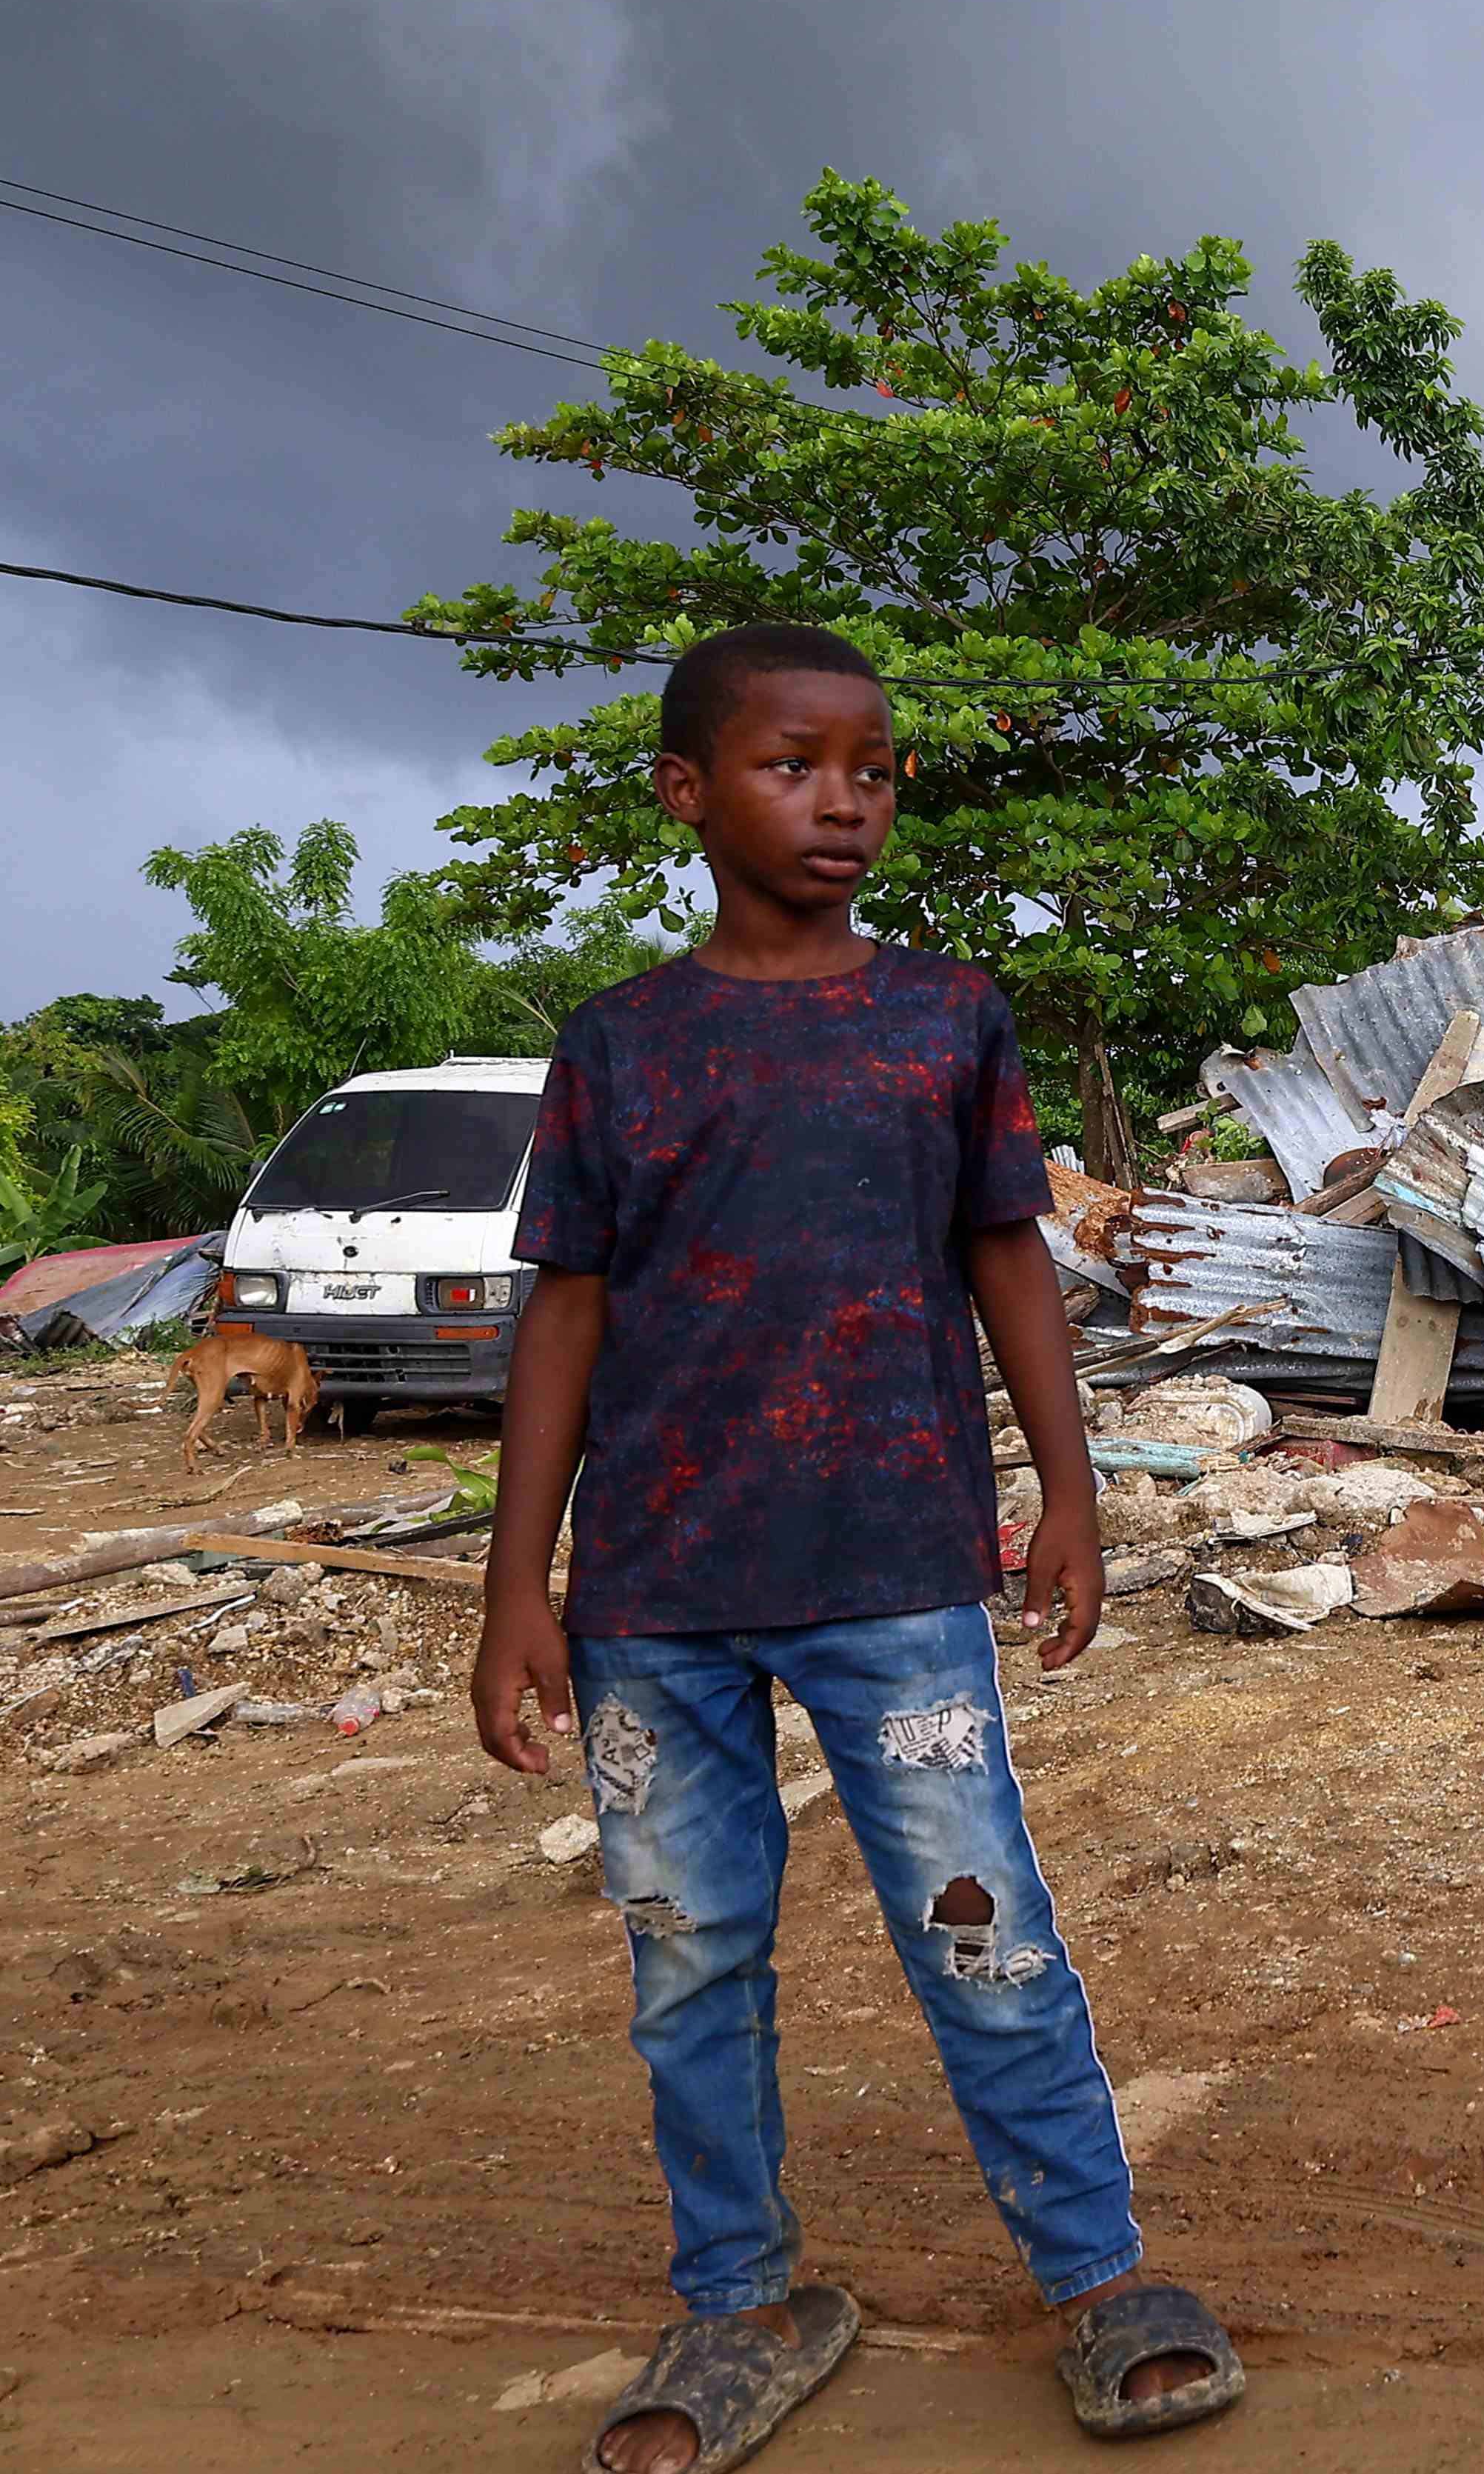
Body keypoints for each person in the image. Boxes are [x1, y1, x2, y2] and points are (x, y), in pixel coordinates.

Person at [468, 621, 1243, 2472]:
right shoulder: (623, 1045)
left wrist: (1070, 1486)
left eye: (875, 768)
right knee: (687, 1950)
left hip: (897, 1567)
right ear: (688, 791)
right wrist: (521, 1584)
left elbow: (1005, 1259)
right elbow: (563, 1312)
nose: (844, 799)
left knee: (983, 1930)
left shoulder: (942, 1017)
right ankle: (738, 2301)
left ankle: (1093, 2274)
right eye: (793, 763)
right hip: (657, 1594)